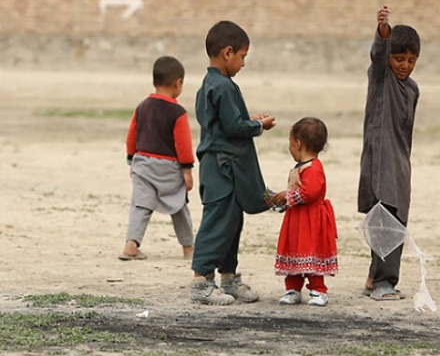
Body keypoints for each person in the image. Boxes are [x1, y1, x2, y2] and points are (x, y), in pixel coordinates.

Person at [189, 20, 276, 305]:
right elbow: (233, 129)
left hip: (225, 167)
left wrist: (249, 122)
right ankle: (201, 282)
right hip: (221, 168)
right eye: (242, 57)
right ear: (227, 53)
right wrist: (258, 126)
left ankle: (229, 278)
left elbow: (226, 124)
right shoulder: (223, 87)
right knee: (217, 222)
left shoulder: (212, 85)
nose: (243, 63)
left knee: (232, 222)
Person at [357, 5, 421, 301]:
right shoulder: (381, 79)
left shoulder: (412, 89)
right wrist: (383, 30)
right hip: (379, 160)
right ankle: (384, 282)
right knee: (385, 220)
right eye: (399, 58)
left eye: (411, 60)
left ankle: (374, 276)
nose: (405, 65)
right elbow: (378, 55)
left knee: (391, 219)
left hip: (399, 163)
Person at [120, 55, 195, 261]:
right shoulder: (178, 112)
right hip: (169, 168)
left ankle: (131, 244)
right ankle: (188, 248)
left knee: (140, 206)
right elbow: (183, 144)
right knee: (179, 206)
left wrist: (131, 161)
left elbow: (131, 137)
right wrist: (187, 170)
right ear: (178, 82)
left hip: (143, 164)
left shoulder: (142, 107)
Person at [271, 117, 338, 307]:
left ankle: (318, 290)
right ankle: (292, 288)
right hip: (296, 219)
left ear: (298, 143)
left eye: (290, 143)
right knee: (294, 251)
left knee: (311, 252)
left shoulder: (314, 168)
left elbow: (310, 192)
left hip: (311, 221)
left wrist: (289, 196)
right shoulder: (301, 167)